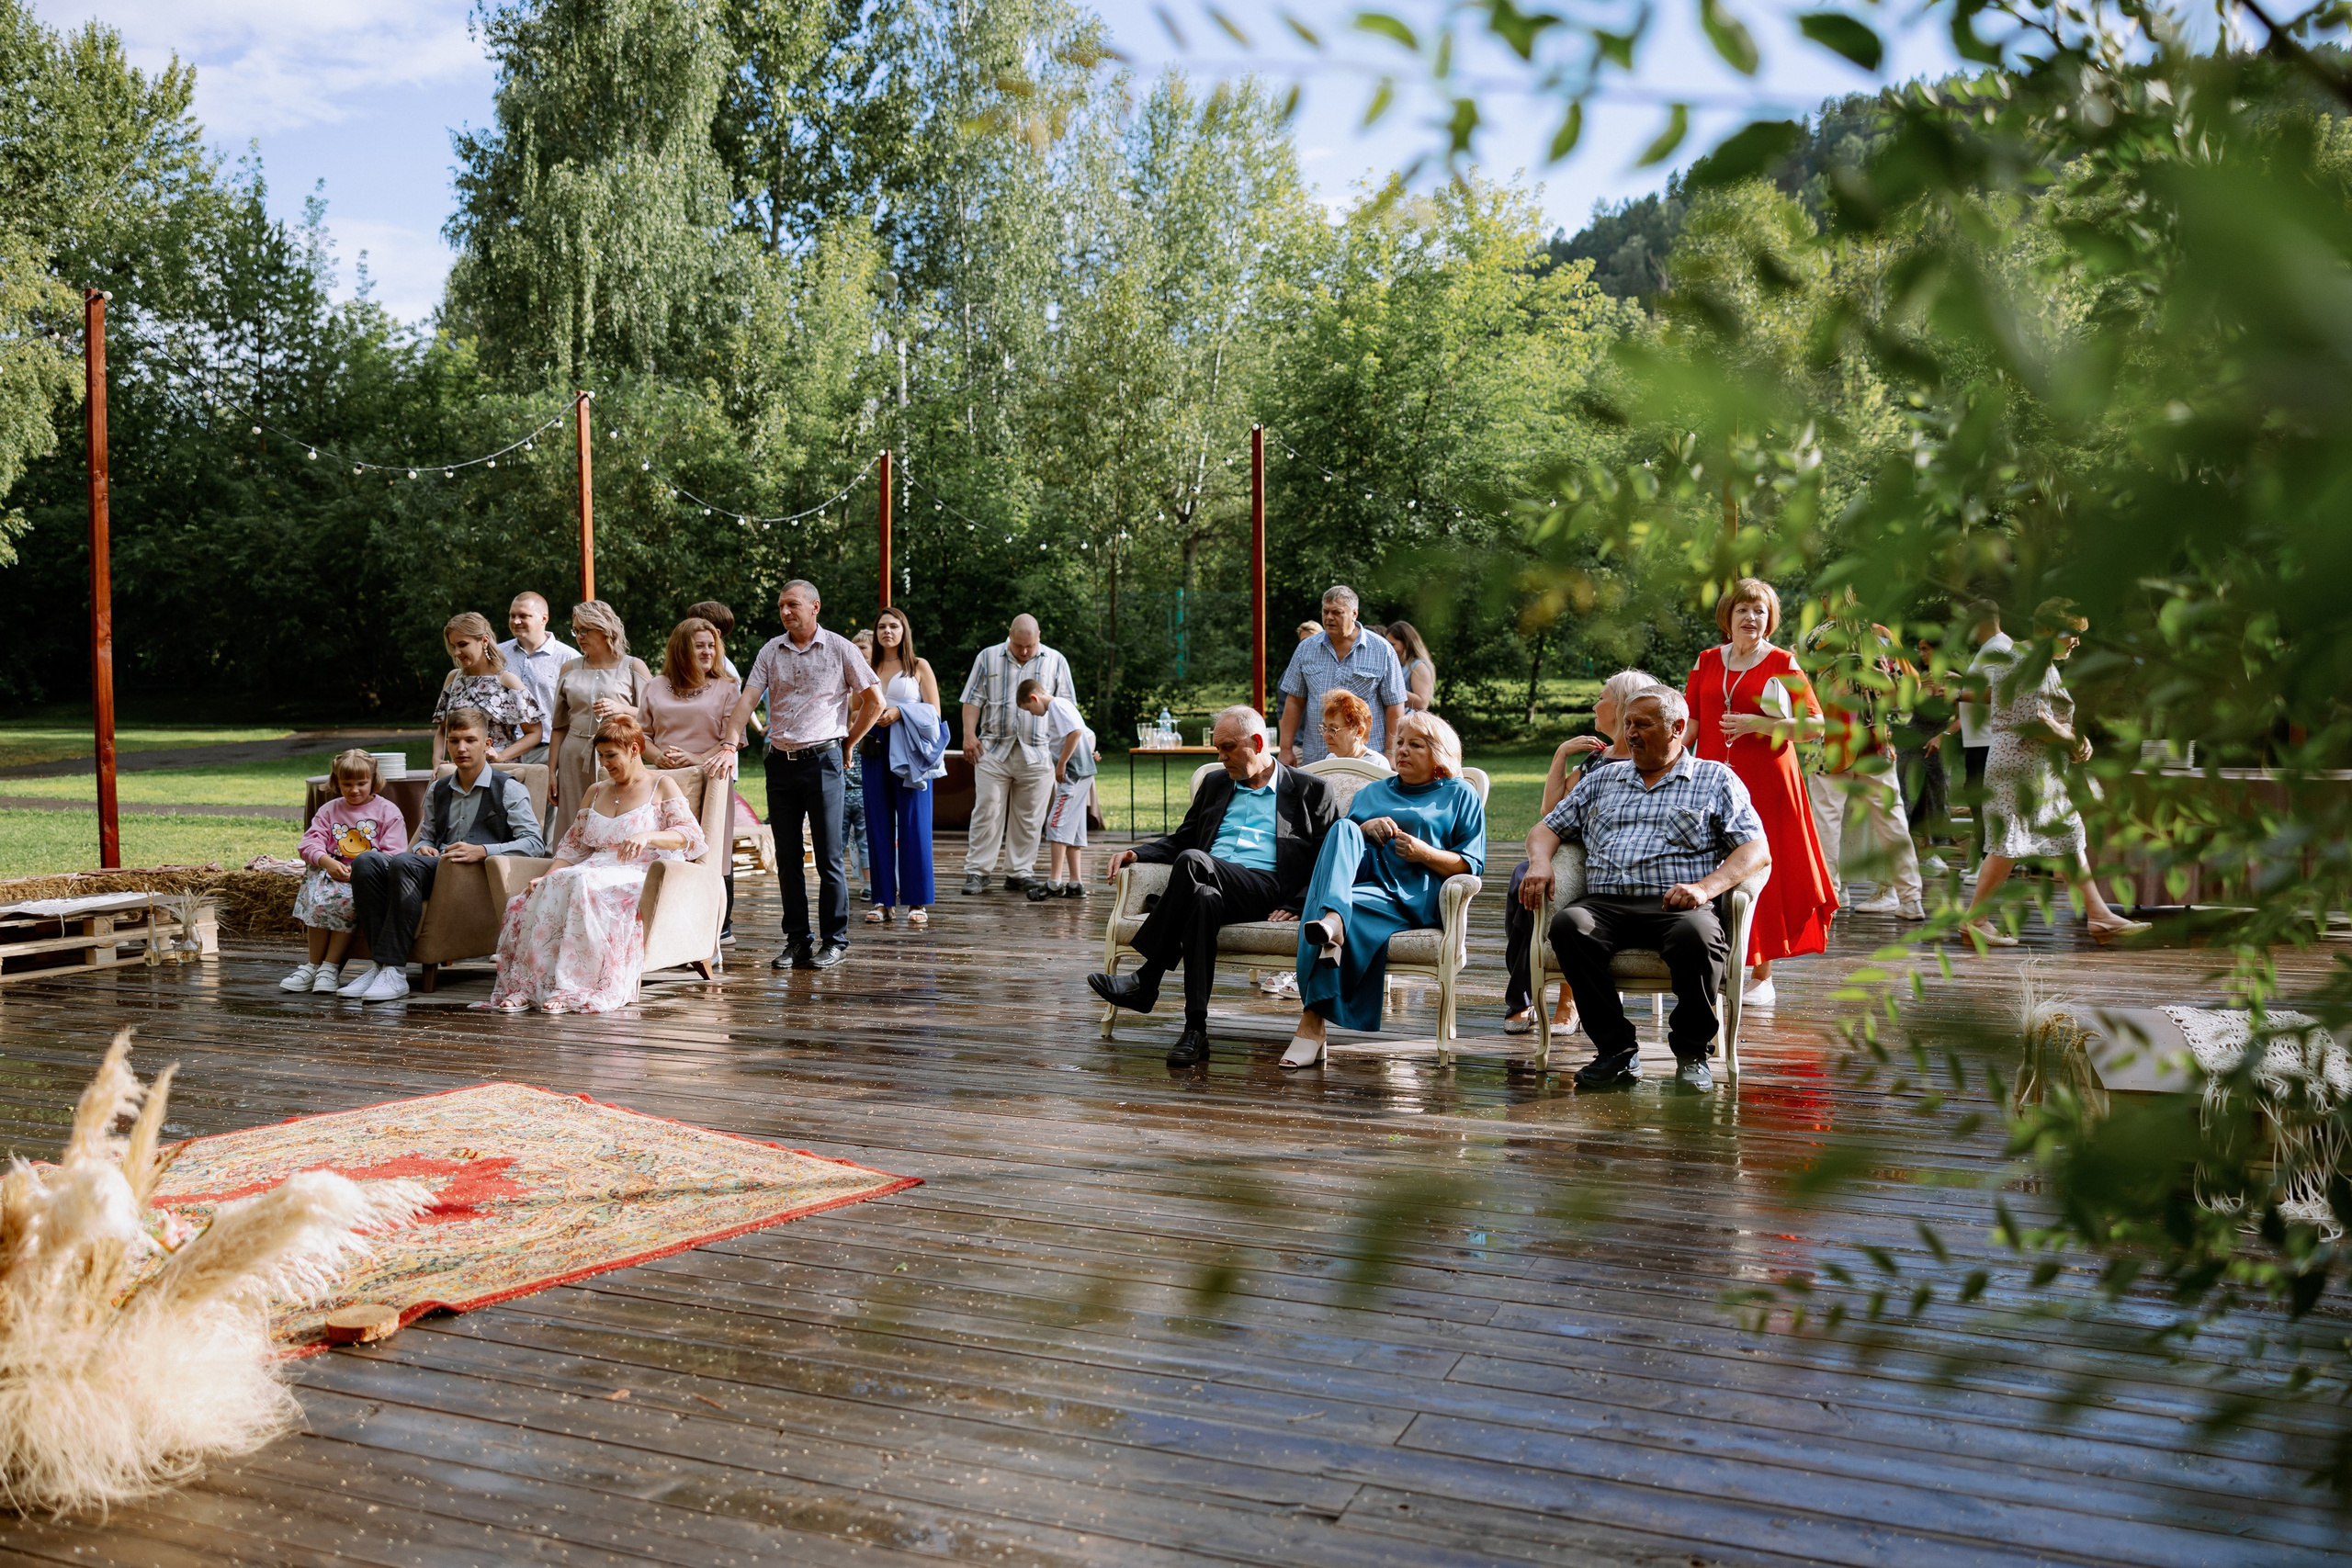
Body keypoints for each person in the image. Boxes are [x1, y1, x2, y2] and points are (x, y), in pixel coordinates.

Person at [1522, 688, 1771, 1095]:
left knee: (1699, 936)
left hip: (1676, 904)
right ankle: (1616, 1051)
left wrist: (1705, 888)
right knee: (1569, 925)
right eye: (1628, 724)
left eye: (1643, 724)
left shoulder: (1715, 779)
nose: (1631, 734)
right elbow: (1547, 827)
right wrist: (1540, 862)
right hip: (1604, 904)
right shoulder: (1602, 779)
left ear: (1677, 729)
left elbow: (1755, 848)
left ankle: (1693, 1055)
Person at [1088, 706, 1340, 1069]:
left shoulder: (1309, 790)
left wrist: (1300, 901)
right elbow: (1184, 838)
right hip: (1208, 884)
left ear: (1256, 743)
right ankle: (1195, 1031)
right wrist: (1135, 853)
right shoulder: (1216, 783)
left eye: (1227, 748)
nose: (1220, 758)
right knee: (1202, 898)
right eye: (1217, 749)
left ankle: (1147, 979)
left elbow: (1328, 856)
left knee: (1193, 862)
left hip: (1263, 889)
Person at [1280, 712, 1487, 1068]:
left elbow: (1471, 864)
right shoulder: (1373, 791)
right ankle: (1334, 918)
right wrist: (1363, 829)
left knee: (1330, 916)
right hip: (1363, 887)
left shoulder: (1459, 794)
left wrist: (1425, 853)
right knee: (1344, 829)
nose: (1402, 751)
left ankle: (1312, 1022)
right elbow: (1344, 852)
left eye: (1415, 745)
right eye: (1400, 743)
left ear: (1438, 753)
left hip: (1413, 895)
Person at [476, 713, 707, 1013]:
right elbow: (573, 845)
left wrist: (649, 835)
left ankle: (571, 987)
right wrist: (546, 876)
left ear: (634, 750)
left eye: (612, 755)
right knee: (544, 891)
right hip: (592, 868)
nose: (605, 764)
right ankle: (527, 986)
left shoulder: (661, 785)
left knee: (580, 882)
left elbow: (691, 836)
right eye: (601, 757)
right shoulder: (595, 791)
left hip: (638, 871)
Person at [1955, 601, 2150, 947]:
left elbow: (2047, 715)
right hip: (2020, 765)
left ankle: (2100, 916)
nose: (2076, 640)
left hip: (2035, 765)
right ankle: (1975, 920)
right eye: (2071, 633)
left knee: (2069, 833)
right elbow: (2034, 721)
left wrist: (2075, 739)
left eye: (2079, 634)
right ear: (2045, 630)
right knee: (2007, 844)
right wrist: (2073, 740)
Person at [1686, 578, 1838, 1009]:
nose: (1752, 618)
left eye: (1760, 611)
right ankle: (1714, 960)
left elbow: (1814, 726)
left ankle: (1762, 972)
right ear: (1727, 618)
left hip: (1769, 783)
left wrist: (1759, 725)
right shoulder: (1705, 662)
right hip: (1713, 781)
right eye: (1743, 611)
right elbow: (1691, 724)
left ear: (1770, 619)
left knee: (1760, 868)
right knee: (1712, 864)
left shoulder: (1783, 662)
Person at [343, 707, 548, 1003]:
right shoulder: (438, 789)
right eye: (454, 741)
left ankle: (394, 969)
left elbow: (533, 843)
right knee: (366, 862)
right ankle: (381, 966)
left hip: (469, 878)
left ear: (487, 744)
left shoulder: (509, 789)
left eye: (470, 740)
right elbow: (425, 836)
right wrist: (421, 847)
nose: (461, 748)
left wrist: (482, 851)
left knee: (403, 863)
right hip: (429, 867)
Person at [727, 580, 882, 970]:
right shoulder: (770, 650)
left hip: (824, 760)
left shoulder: (841, 649)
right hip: (779, 762)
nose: (785, 612)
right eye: (781, 606)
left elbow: (875, 700)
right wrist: (731, 742)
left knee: (829, 856)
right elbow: (747, 699)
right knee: (788, 857)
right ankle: (797, 940)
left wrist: (850, 742)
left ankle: (835, 941)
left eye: (793, 605)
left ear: (815, 606)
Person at [1502, 668, 1651, 1035]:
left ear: (1619, 706)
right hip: (1568, 852)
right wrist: (1560, 754)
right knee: (1523, 880)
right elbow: (1550, 809)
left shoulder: (1644, 759)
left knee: (1547, 894)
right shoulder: (1595, 760)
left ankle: (1557, 999)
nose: (1595, 705)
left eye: (1601, 698)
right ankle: (1524, 993)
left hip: (1609, 860)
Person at [1803, 595, 1926, 920]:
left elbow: (1808, 692)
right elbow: (1909, 686)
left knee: (1826, 823)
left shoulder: (1818, 638)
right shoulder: (1881, 634)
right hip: (1875, 741)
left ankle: (1829, 897)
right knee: (1893, 821)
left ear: (1827, 600)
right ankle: (1911, 900)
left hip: (1832, 742)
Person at [959, 615, 1075, 896]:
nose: (1024, 651)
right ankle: (978, 871)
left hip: (1038, 751)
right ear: (1009, 634)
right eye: (1019, 644)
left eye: (1030, 646)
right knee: (987, 808)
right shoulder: (987, 657)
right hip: (993, 749)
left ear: (1038, 637)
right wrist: (969, 735)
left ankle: (1019, 872)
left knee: (1030, 816)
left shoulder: (1056, 660)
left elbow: (1068, 708)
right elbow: (973, 699)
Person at [643, 615, 742, 939]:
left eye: (711, 646)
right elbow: (641, 735)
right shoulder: (655, 686)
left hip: (711, 777)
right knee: (665, 848)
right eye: (698, 645)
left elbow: (734, 737)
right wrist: (658, 756)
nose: (707, 652)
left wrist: (698, 758)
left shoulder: (727, 687)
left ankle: (717, 926)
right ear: (681, 649)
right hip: (663, 782)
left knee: (713, 849)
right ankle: (665, 925)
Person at [280, 749, 406, 995]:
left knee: (346, 898)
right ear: (336, 782)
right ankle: (313, 966)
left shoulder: (388, 811)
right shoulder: (329, 810)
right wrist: (326, 862)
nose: (354, 790)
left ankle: (330, 967)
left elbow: (395, 853)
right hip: (331, 871)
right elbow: (309, 843)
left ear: (374, 780)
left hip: (367, 878)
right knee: (317, 889)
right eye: (347, 784)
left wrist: (359, 870)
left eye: (362, 783)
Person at [548, 601, 652, 848]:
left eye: (585, 630)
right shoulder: (569, 668)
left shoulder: (633, 666)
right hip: (573, 757)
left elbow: (655, 716)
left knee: (612, 820)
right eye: (576, 630)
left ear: (606, 630)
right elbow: (559, 725)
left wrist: (622, 709)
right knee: (572, 822)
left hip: (619, 756)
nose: (579, 637)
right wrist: (551, 772)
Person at [862, 605, 942, 928]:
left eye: (894, 626)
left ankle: (916, 900)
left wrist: (901, 713)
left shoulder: (918, 666)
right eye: (882, 626)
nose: (887, 632)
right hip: (875, 748)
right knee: (878, 825)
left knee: (914, 825)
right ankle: (882, 900)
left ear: (904, 630)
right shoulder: (868, 666)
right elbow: (854, 706)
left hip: (910, 750)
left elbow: (934, 711)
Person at [1278, 585, 1407, 766]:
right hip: (1317, 755)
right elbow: (1294, 701)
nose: (1329, 617)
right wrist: (1285, 748)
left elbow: (1394, 705)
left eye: (1337, 612)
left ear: (1354, 614)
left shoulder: (1381, 649)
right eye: (1326, 611)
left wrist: (1391, 753)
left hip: (1367, 758)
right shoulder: (1306, 649)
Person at [430, 613, 544, 768]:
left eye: (462, 644)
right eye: (453, 646)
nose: (456, 652)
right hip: (460, 770)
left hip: (498, 772)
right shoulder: (453, 678)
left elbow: (535, 733)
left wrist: (501, 756)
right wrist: (437, 760)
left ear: (484, 641)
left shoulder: (507, 681)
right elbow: (443, 729)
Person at [1017, 677, 1096, 898]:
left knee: (1056, 823)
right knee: (1074, 827)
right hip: (1083, 772)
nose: (1031, 714)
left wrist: (1061, 764)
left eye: (1028, 709)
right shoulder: (1066, 705)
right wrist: (1090, 754)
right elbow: (1089, 734)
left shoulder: (1057, 706)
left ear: (1034, 698)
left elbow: (1075, 733)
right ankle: (1076, 883)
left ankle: (1054, 882)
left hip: (1071, 775)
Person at [1955, 599, 2014, 873]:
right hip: (1979, 739)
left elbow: (1996, 694)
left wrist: (1955, 693)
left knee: (1985, 802)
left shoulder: (1998, 648)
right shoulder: (1990, 649)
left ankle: (1986, 863)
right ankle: (1981, 860)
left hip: (1989, 740)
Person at [498, 592, 578, 761]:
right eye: (512, 616)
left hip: (549, 751)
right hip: (502, 750)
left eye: (523, 616)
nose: (516, 621)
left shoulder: (568, 658)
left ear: (544, 618)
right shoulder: (498, 655)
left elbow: (577, 709)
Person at [1315, 690, 1393, 770]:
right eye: (1324, 728)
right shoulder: (1330, 760)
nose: (1325, 736)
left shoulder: (1376, 764)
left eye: (1333, 729)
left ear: (1359, 732)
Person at [1386, 621, 1436, 713]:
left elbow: (1421, 704)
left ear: (1406, 643)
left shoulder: (1418, 667)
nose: (1388, 648)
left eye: (1392, 645)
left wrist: (1390, 688)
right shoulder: (1398, 665)